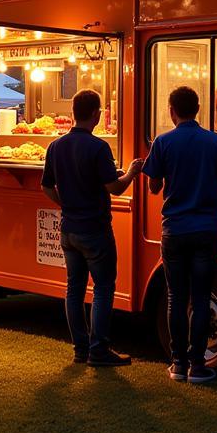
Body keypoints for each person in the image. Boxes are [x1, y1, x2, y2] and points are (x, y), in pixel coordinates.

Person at [143, 86, 217, 385]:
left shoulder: (163, 142)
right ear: (198, 109)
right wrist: (211, 203)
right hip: (207, 228)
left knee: (175, 297)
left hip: (175, 229)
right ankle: (198, 364)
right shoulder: (216, 142)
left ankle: (178, 364)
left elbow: (154, 186)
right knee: (200, 297)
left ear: (171, 111)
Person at [41, 89, 142, 366]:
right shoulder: (99, 147)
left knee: (74, 289)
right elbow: (115, 188)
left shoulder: (56, 146)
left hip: (68, 229)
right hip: (95, 229)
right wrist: (132, 172)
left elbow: (46, 186)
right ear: (97, 114)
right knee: (103, 287)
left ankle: (80, 349)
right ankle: (98, 349)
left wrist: (66, 203)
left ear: (73, 112)